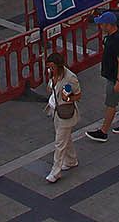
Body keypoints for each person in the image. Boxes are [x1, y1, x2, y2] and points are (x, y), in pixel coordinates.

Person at [84, 12, 119, 141]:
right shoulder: (111, 35)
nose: (100, 26)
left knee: (111, 104)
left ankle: (103, 132)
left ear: (109, 25)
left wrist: (118, 80)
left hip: (115, 77)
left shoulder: (117, 39)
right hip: (114, 76)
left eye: (102, 24)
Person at [43, 52, 82, 183]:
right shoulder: (53, 75)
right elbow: (49, 89)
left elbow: (78, 95)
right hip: (55, 111)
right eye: (49, 67)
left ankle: (56, 171)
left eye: (52, 67)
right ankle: (71, 160)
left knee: (59, 142)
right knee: (65, 138)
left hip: (66, 113)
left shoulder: (70, 78)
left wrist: (69, 98)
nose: (50, 69)